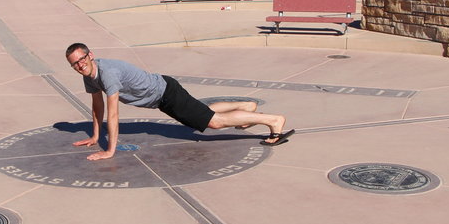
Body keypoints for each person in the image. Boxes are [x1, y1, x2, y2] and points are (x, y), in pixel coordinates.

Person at [65, 43, 292, 161]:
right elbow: (97, 107)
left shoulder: (108, 73)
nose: (79, 65)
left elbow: (112, 114)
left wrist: (109, 151)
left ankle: (273, 121)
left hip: (165, 94)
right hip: (163, 94)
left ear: (91, 55)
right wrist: (95, 136)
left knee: (212, 122)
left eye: (82, 59)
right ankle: (244, 107)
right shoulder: (90, 77)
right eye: (74, 63)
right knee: (203, 112)